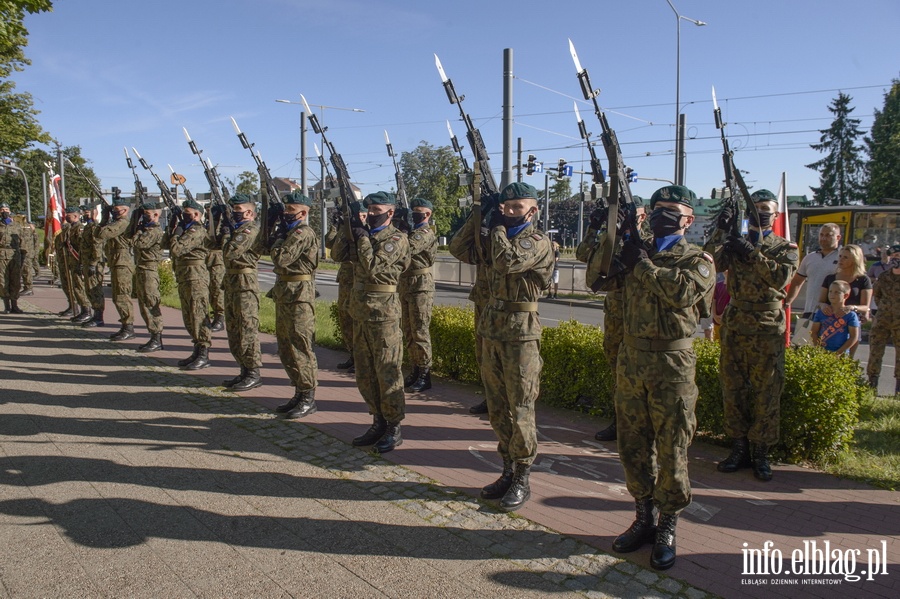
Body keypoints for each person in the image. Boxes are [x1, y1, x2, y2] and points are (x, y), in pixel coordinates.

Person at [611, 185, 715, 571]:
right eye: (657, 210)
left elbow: (682, 292)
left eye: (671, 211)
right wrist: (608, 235)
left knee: (672, 448)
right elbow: (596, 278)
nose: (661, 216)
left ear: (688, 220)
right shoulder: (637, 247)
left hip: (672, 364)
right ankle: (644, 517)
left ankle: (668, 524)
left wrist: (642, 263)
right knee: (633, 445)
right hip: (632, 360)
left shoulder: (697, 258)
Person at [704, 189, 799, 483]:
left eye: (765, 210)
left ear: (775, 214)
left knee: (767, 390)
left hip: (767, 325)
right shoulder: (736, 240)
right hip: (735, 322)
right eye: (755, 209)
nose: (760, 214)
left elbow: (780, 279)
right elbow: (707, 263)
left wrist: (751, 252)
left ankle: (761, 453)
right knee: (733, 388)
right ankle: (739, 447)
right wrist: (721, 230)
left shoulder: (786, 247)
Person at [477, 182, 554, 513]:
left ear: (532, 211)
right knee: (497, 407)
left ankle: (522, 474)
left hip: (521, 335)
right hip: (492, 331)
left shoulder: (535, 241)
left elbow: (508, 262)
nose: (507, 212)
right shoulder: (499, 236)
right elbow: (461, 248)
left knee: (521, 407)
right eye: (504, 207)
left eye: (515, 207)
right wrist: (478, 214)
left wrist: (494, 227)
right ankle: (507, 469)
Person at [575, 195, 648, 443]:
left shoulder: (648, 242)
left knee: (643, 377)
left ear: (643, 217)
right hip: (616, 317)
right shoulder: (613, 239)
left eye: (633, 216)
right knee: (617, 372)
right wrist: (599, 228)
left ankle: (641, 426)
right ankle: (619, 421)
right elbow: (583, 254)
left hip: (643, 320)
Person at [346, 191, 411, 453]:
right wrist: (347, 228)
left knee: (387, 372)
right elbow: (339, 253)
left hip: (383, 315)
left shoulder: (396, 239)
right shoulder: (367, 234)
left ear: (390, 213)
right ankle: (377, 420)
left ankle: (393, 426)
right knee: (365, 373)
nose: (372, 214)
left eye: (377, 210)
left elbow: (373, 266)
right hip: (361, 313)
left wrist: (362, 239)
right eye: (369, 209)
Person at [268, 191, 319, 419]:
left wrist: (278, 239)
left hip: (299, 296)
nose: (286, 213)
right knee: (285, 346)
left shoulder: (302, 232)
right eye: (286, 209)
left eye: (290, 209)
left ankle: (308, 396)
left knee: (300, 346)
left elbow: (281, 259)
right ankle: (298, 391)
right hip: (285, 293)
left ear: (303, 212)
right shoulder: (290, 232)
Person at [448, 189, 496, 416]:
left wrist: (500, 228)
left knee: (505, 362)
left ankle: (502, 402)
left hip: (506, 310)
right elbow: (457, 247)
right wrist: (476, 217)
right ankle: (490, 397)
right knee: (483, 357)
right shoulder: (486, 242)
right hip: (483, 303)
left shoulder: (527, 241)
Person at [219, 193, 265, 391]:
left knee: (247, 329)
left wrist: (228, 233)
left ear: (249, 212)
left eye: (236, 210)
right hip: (231, 281)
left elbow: (230, 252)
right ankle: (243, 370)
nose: (233, 214)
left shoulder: (250, 229)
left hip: (245, 283)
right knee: (234, 329)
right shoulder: (238, 229)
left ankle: (253, 372)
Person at [167, 199, 212, 370]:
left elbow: (177, 249)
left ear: (197, 215)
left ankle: (204, 352)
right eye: (184, 212)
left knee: (198, 314)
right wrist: (171, 227)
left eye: (189, 213)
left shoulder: (197, 230)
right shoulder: (185, 229)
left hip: (196, 276)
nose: (186, 216)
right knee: (189, 316)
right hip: (184, 276)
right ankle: (196, 348)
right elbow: (166, 244)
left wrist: (177, 232)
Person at [399, 198, 437, 393]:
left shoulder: (425, 233)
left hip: (421, 285)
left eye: (418, 211)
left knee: (420, 330)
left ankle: (424, 373)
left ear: (427, 214)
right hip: (406, 283)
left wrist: (403, 232)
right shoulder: (413, 232)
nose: (415, 214)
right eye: (413, 211)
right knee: (408, 330)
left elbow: (408, 248)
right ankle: (415, 368)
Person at [325, 200, 366, 372]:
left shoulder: (367, 231)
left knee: (358, 320)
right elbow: (330, 244)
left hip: (360, 280)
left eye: (365, 215)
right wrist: (338, 226)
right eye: (360, 215)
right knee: (345, 318)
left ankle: (361, 358)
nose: (362, 218)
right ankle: (352, 354)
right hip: (346, 278)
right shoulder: (348, 228)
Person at [96, 197, 135, 341]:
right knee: (117, 296)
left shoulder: (123, 223)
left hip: (122, 264)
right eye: (114, 209)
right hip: (116, 262)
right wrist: (104, 219)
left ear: (126, 210)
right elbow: (97, 235)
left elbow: (102, 234)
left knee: (122, 297)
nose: (115, 212)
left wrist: (105, 219)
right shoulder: (116, 223)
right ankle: (125, 325)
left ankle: (128, 327)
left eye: (117, 210)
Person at [784, 223, 841, 319]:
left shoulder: (842, 257)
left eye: (828, 235)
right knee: (804, 334)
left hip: (834, 313)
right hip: (810, 311)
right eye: (821, 235)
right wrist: (787, 302)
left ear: (838, 237)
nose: (823, 238)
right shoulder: (810, 257)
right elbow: (797, 282)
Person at [131, 202, 165, 353]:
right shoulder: (146, 229)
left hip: (149, 270)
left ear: (156, 215)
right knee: (144, 304)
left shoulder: (154, 231)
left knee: (151, 304)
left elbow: (138, 243)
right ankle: (153, 336)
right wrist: (134, 219)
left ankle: (156, 337)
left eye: (147, 214)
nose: (145, 217)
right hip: (142, 269)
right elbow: (128, 236)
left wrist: (138, 230)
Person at [866, 244, 900, 393]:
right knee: (875, 352)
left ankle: (898, 390)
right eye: (893, 257)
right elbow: (877, 296)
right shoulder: (884, 277)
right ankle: (872, 385)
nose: (895, 260)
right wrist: (885, 309)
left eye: (898, 257)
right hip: (882, 320)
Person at [817, 244, 873, 327]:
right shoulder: (830, 278)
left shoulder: (863, 280)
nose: (841, 259)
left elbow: (866, 307)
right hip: (828, 322)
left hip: (850, 322)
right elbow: (820, 302)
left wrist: (851, 308)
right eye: (840, 256)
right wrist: (823, 306)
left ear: (855, 260)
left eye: (845, 257)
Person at [811, 280, 860, 355]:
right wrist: (818, 349)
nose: (832, 294)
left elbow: (854, 337)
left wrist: (838, 352)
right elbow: (813, 332)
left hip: (841, 354)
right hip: (821, 353)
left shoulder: (851, 315)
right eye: (830, 291)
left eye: (837, 292)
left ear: (846, 296)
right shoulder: (821, 312)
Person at [55, 206, 88, 319]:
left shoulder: (79, 228)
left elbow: (82, 247)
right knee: (70, 286)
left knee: (79, 287)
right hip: (69, 262)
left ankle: (86, 310)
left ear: (75, 216)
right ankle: (73, 307)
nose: (66, 218)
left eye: (68, 215)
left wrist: (82, 262)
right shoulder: (70, 229)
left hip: (77, 262)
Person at [78, 204, 106, 328]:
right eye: (84, 212)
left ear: (95, 213)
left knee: (95, 290)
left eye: (88, 212)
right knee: (89, 289)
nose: (85, 214)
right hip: (87, 262)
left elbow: (97, 247)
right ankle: (95, 315)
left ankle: (99, 317)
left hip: (94, 264)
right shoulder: (89, 226)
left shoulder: (95, 227)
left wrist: (93, 264)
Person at [0, 202, 25, 314]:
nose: (4, 211)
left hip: (15, 256)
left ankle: (15, 305)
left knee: (15, 281)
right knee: (3, 281)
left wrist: (23, 255)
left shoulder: (17, 226)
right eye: (2, 210)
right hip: (1, 256)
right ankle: (7, 306)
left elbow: (23, 242)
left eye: (6, 209)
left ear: (9, 211)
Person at [206, 203, 226, 332]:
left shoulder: (222, 223)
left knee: (217, 290)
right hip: (207, 260)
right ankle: (215, 315)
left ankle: (220, 317)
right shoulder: (208, 223)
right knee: (210, 291)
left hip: (217, 261)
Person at [19, 221, 37, 296]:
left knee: (26, 271)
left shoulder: (26, 227)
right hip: (23, 252)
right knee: (24, 271)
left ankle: (28, 288)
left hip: (26, 252)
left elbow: (25, 239)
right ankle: (27, 288)